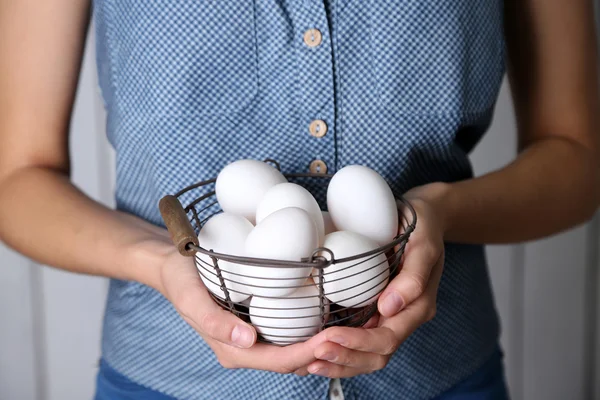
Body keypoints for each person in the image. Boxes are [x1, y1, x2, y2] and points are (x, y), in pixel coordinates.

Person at [1, 1, 598, 399]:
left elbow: (575, 160)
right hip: (169, 380)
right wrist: (160, 260)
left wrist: (439, 210)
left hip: (440, 376)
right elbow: (18, 181)